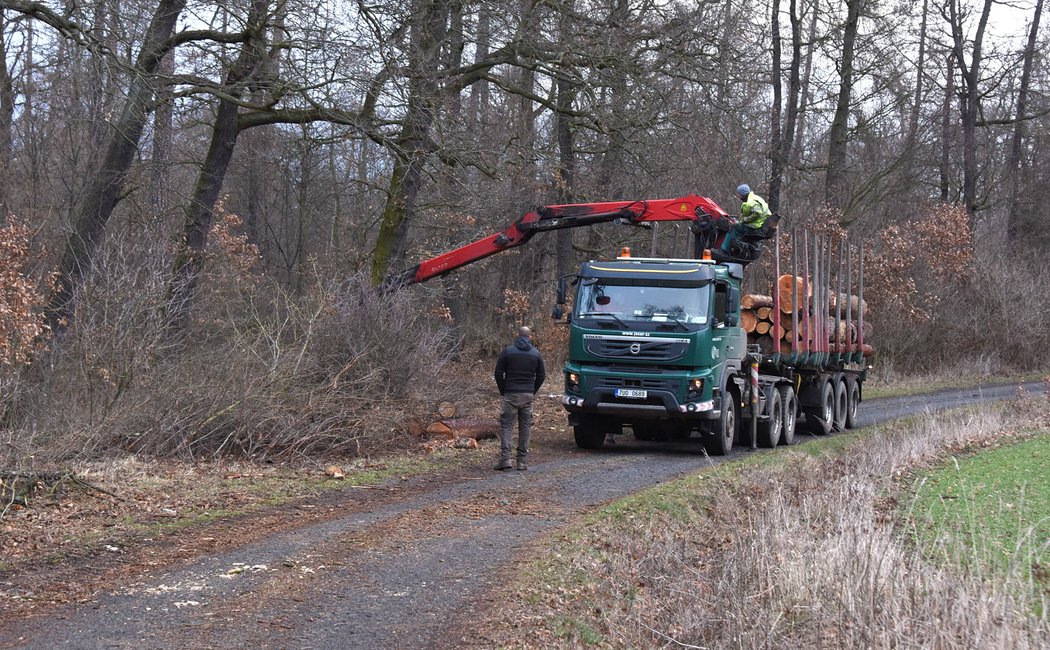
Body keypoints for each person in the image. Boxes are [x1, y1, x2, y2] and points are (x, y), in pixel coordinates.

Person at [493, 326, 546, 471]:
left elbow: (498, 373)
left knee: (507, 426)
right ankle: (522, 461)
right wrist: (532, 390)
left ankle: (505, 459)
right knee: (525, 427)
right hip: (527, 395)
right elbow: (542, 376)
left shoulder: (508, 352)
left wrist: (503, 389)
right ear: (529, 337)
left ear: (517, 336)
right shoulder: (536, 354)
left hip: (510, 394)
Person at [721, 183, 771, 252]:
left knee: (733, 227)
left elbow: (758, 213)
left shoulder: (752, 202)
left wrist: (745, 220)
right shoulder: (756, 198)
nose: (738, 196)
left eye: (739, 194)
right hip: (760, 225)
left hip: (754, 226)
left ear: (743, 194)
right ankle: (735, 247)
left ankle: (724, 250)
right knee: (738, 226)